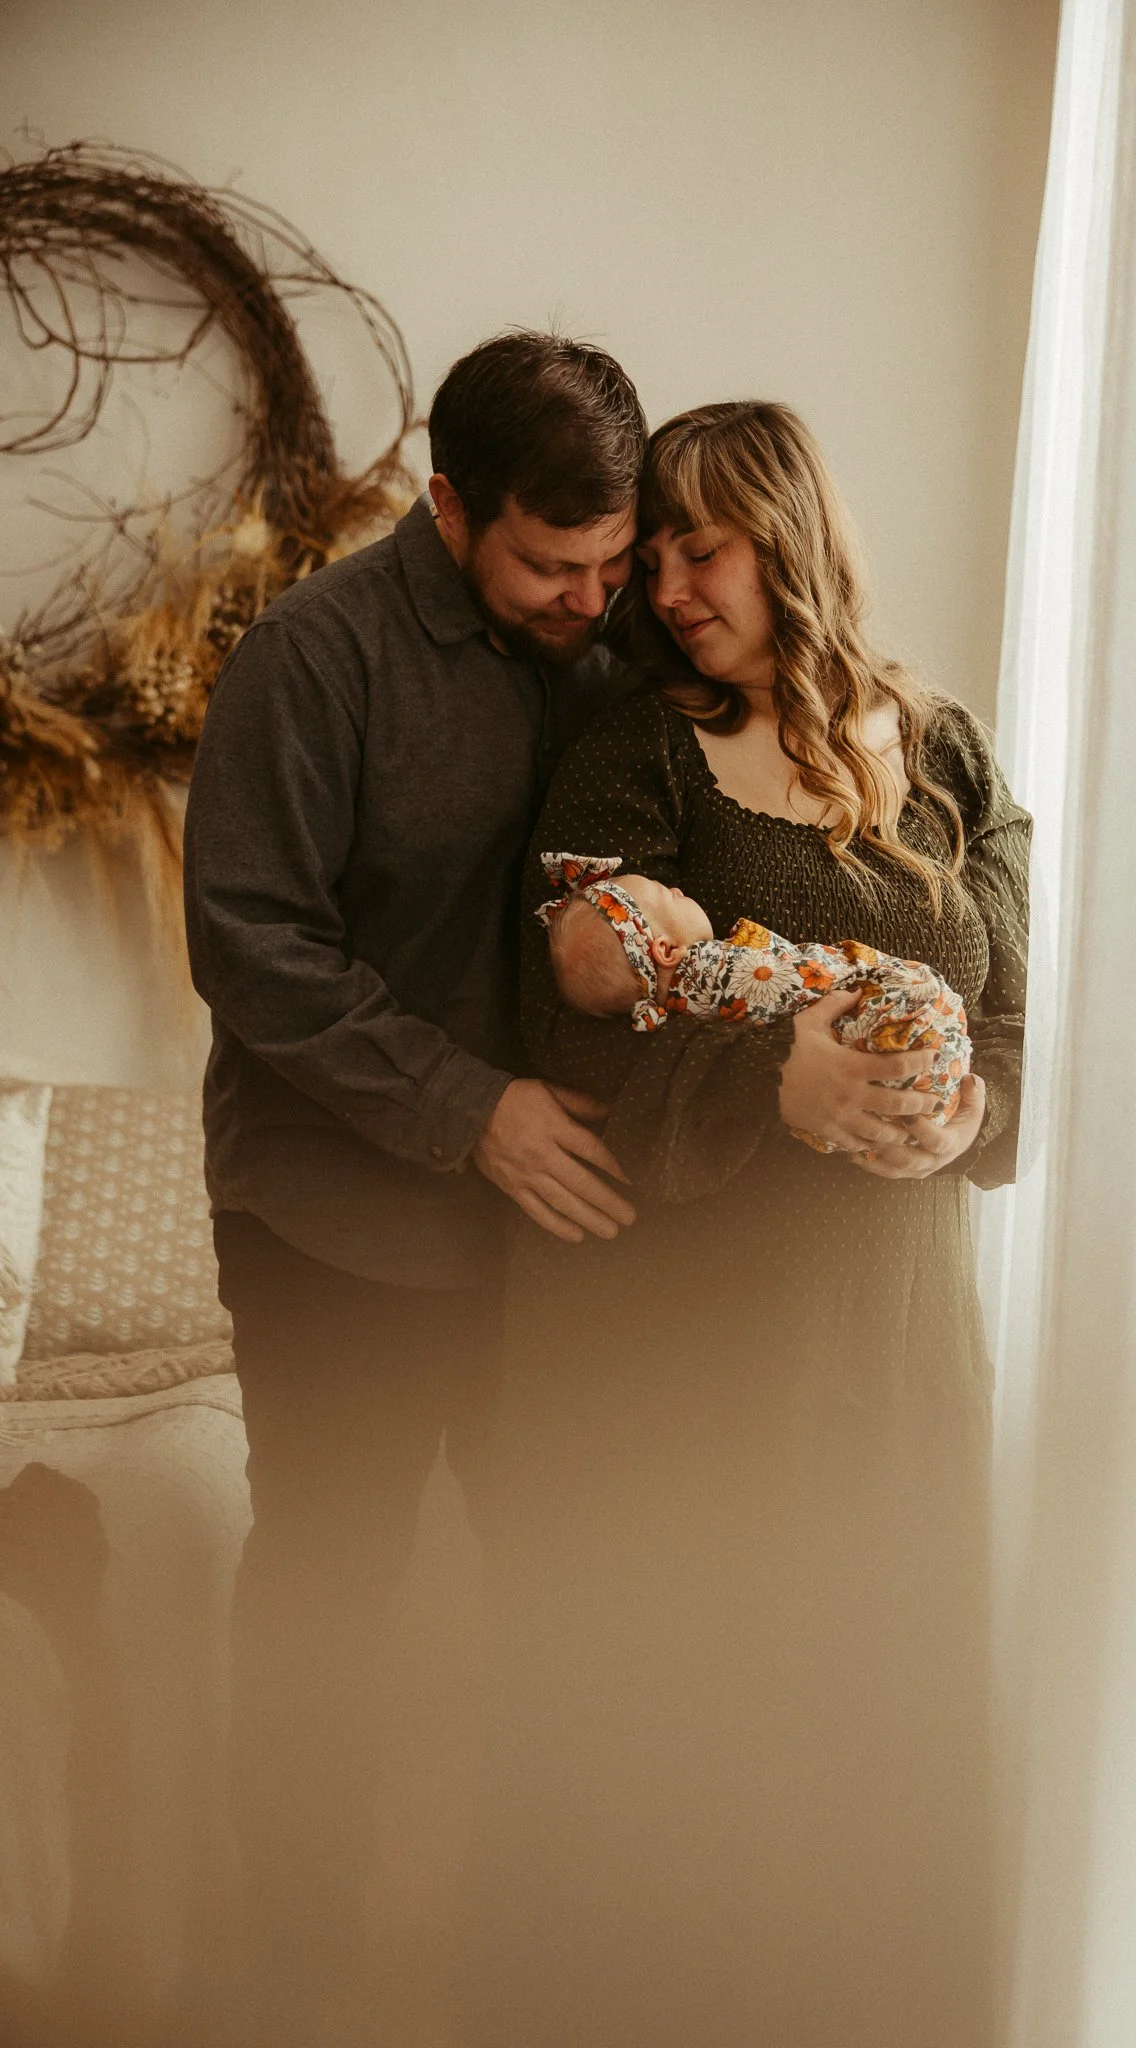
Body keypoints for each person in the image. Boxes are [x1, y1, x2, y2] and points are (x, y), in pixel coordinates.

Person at [462, 400, 1031, 2048]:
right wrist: (765, 1080)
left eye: (696, 547)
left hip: (896, 1318)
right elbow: (566, 1000)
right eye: (649, 558)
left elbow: (1015, 1005)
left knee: (877, 1705)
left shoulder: (949, 751)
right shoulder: (633, 744)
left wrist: (971, 1104)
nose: (667, 584)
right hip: (696, 1326)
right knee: (690, 1733)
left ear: (784, 535)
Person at [182, 330, 650, 2048]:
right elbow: (250, 947)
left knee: (566, 1593)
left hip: (553, 1242)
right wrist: (473, 1113)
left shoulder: (621, 642)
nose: (591, 599)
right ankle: (289, 1981)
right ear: (450, 507)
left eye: (613, 561)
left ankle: (529, 1964)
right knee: (333, 1594)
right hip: (333, 1224)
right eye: (550, 562)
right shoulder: (313, 659)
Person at [535, 851, 972, 1138]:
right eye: (665, 894)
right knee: (914, 992)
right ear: (664, 950)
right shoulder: (710, 970)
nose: (678, 889)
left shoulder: (674, 1013)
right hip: (885, 1054)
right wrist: (855, 967)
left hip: (873, 1119)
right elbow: (793, 981)